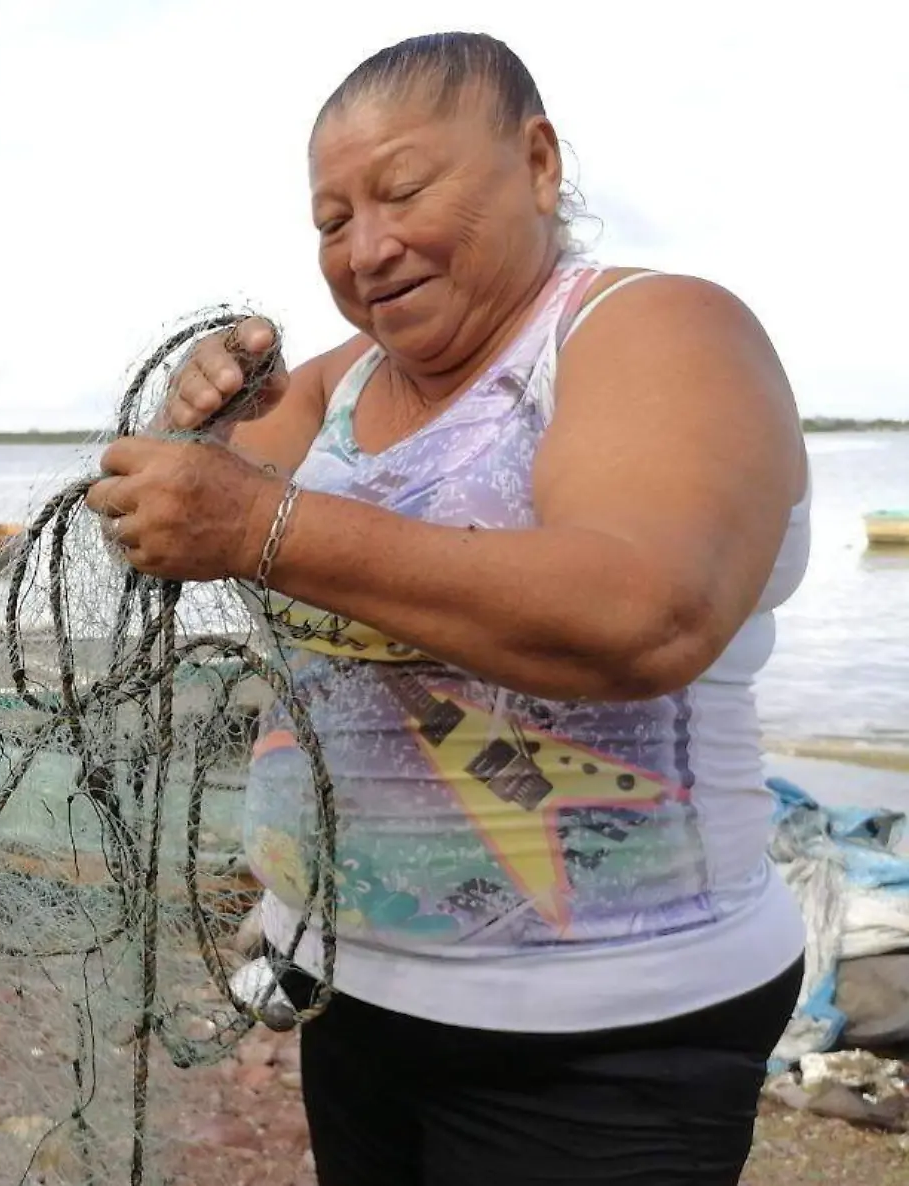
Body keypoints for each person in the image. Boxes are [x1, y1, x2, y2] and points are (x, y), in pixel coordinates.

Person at [85, 31, 810, 1186]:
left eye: (404, 191)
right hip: (344, 992)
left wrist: (256, 522)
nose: (367, 248)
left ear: (535, 162)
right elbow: (154, 531)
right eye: (330, 221)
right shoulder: (330, 381)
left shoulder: (652, 326)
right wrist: (192, 435)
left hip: (606, 1037)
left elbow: (647, 615)